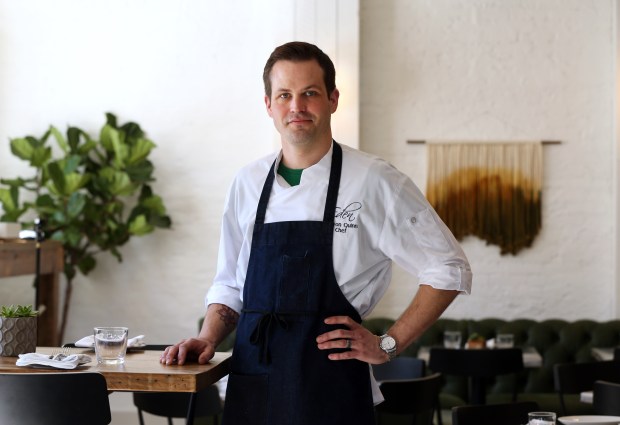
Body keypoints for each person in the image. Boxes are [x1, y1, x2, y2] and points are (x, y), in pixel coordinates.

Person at [162, 41, 472, 425]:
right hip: (253, 385)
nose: (297, 106)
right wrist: (208, 337)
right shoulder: (248, 182)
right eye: (285, 95)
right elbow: (229, 282)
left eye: (309, 93)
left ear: (332, 99)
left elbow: (449, 267)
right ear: (268, 105)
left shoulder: (374, 180)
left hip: (332, 388)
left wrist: (387, 344)